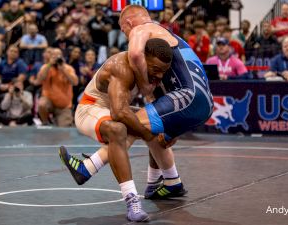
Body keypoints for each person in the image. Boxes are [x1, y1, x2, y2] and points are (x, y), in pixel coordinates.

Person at [59, 39, 180, 222]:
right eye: (156, 69)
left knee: (154, 122)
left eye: (164, 70)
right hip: (90, 110)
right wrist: (146, 134)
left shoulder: (156, 71)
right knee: (119, 129)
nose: (160, 75)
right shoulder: (121, 66)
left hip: (114, 108)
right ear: (142, 58)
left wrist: (171, 131)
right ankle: (131, 201)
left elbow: (161, 109)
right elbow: (119, 113)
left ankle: (157, 182)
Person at [118, 4, 213, 198]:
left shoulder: (142, 28)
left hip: (188, 96)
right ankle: (162, 182)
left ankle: (89, 167)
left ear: (128, 23)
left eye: (123, 30)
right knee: (154, 132)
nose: (126, 35)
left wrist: (144, 86)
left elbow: (135, 54)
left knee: (129, 123)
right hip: (202, 101)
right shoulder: (165, 36)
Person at [34, 48, 78, 127]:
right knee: (42, 104)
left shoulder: (68, 68)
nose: (56, 57)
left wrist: (63, 70)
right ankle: (45, 122)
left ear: (62, 57)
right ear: (50, 57)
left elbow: (75, 82)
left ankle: (56, 119)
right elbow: (39, 80)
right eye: (54, 55)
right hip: (49, 102)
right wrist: (49, 64)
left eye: (58, 55)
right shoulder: (45, 67)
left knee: (65, 127)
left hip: (63, 107)